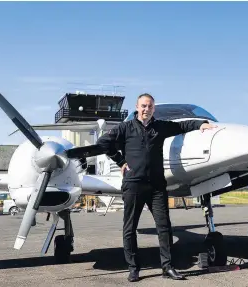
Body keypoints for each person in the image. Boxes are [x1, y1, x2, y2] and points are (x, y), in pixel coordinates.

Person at [72, 93, 216, 282]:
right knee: (130, 228)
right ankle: (133, 268)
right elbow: (104, 143)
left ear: (153, 108)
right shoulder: (125, 127)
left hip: (157, 185)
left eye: (149, 106)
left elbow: (182, 126)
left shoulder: (161, 127)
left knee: (164, 227)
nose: (146, 109)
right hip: (133, 185)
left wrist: (201, 124)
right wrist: (121, 161)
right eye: (143, 106)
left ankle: (167, 267)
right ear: (137, 107)